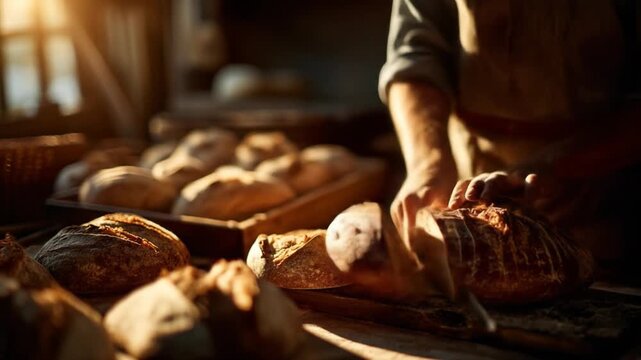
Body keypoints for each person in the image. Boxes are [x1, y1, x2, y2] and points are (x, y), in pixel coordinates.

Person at [380, 0, 641, 279]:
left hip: (609, 208)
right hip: (468, 175)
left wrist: (555, 167)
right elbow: (416, 54)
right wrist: (428, 164)